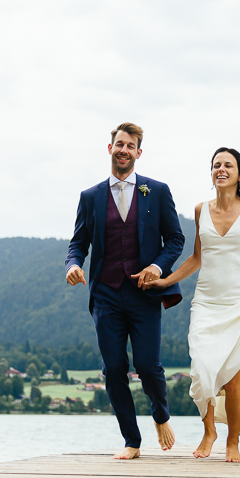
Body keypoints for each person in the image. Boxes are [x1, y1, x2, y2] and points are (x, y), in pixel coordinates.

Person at [145, 148, 240, 462]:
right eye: (216, 165)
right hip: (206, 303)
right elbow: (197, 258)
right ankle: (209, 432)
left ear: (239, 174)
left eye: (228, 165)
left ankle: (232, 442)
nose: (221, 169)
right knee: (202, 369)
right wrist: (166, 281)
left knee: (233, 376)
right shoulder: (201, 210)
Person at [65, 122, 186, 459]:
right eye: (119, 144)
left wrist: (157, 267)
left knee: (148, 365)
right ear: (110, 148)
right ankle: (131, 440)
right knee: (114, 368)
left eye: (130, 146)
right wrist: (73, 265)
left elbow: (175, 238)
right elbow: (78, 243)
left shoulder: (157, 191)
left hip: (144, 293)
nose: (124, 150)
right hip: (105, 294)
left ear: (138, 153)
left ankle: (160, 414)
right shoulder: (90, 197)